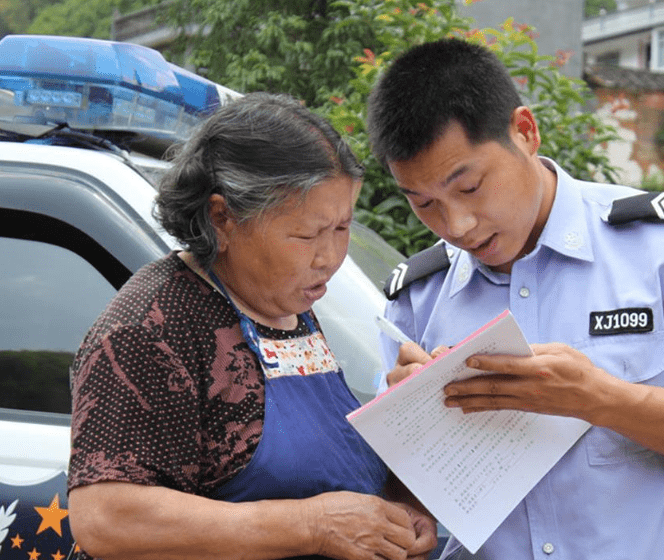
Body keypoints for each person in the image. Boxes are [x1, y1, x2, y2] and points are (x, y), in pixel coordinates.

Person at [367, 39, 664, 560]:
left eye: (471, 187)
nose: (455, 225)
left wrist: (601, 399)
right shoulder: (419, 298)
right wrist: (416, 434)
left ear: (524, 132)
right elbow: (410, 511)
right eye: (424, 203)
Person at [67, 92, 436, 560]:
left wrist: (398, 507)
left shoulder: (286, 304)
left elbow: (317, 466)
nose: (329, 258)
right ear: (224, 218)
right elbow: (105, 518)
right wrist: (311, 525)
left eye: (341, 228)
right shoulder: (150, 326)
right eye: (305, 235)